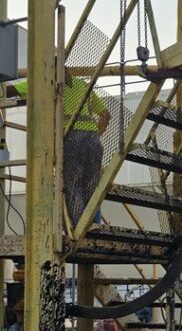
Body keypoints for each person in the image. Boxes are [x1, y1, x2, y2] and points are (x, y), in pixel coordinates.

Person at [8, 69, 110, 226]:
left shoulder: (46, 83)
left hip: (71, 138)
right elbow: (105, 115)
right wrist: (96, 134)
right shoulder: (82, 85)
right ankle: (95, 225)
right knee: (91, 188)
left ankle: (80, 229)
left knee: (72, 185)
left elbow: (11, 90)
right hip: (93, 140)